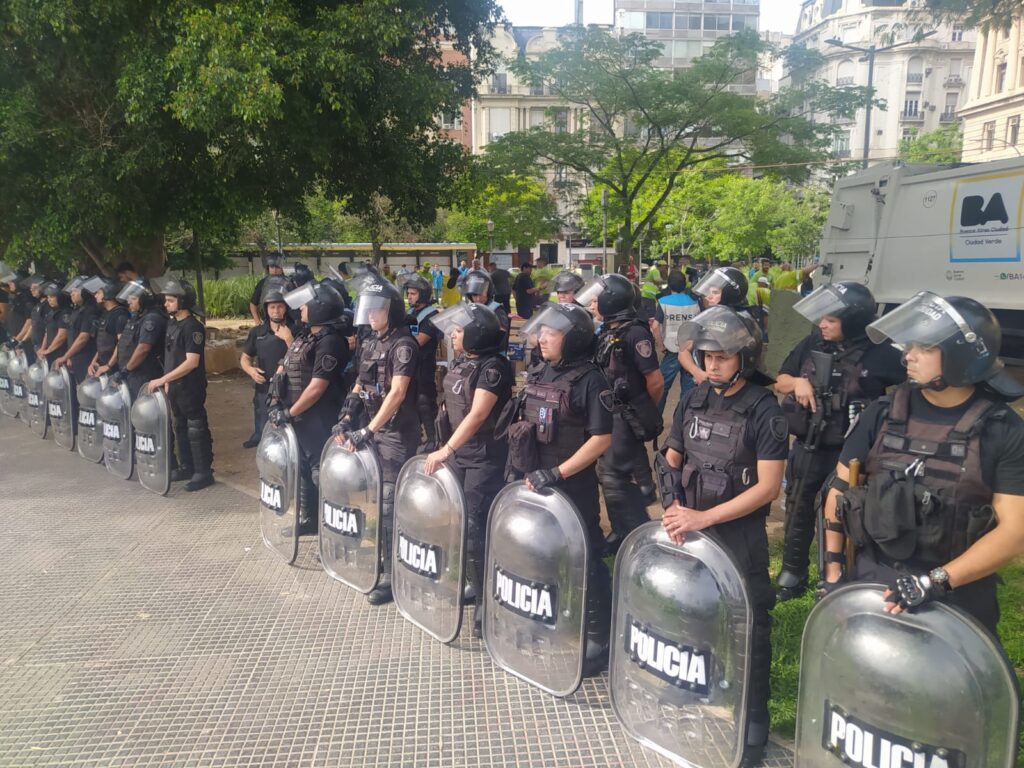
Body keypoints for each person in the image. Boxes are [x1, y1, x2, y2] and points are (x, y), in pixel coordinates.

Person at [820, 292, 1024, 642]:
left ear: (961, 357)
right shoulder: (882, 413)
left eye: (924, 349)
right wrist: (833, 571)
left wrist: (935, 581)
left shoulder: (1002, 428)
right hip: (873, 582)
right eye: (910, 346)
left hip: (957, 594)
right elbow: (839, 492)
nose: (908, 357)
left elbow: (1014, 530)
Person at [659, 305, 787, 767]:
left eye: (723, 356)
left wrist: (703, 518)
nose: (712, 363)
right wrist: (673, 503)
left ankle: (752, 721)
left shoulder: (764, 410)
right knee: (692, 612)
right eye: (707, 355)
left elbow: (768, 487)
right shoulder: (693, 399)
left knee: (748, 627)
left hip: (737, 537)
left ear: (745, 358)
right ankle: (695, 690)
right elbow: (672, 455)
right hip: (691, 529)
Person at [774, 282, 904, 599]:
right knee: (798, 505)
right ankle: (793, 572)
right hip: (809, 444)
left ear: (854, 320)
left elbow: (912, 390)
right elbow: (780, 380)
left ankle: (841, 574)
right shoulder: (810, 344)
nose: (822, 324)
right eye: (823, 318)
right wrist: (799, 383)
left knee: (851, 511)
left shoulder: (881, 355)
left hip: (854, 454)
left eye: (831, 319)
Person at [505, 302, 614, 676]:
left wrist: (559, 472)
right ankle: (547, 620)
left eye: (550, 333)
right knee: (541, 555)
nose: (541, 338)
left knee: (586, 556)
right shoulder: (540, 370)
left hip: (572, 484)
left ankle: (599, 638)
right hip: (535, 481)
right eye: (542, 331)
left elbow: (601, 439)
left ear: (574, 338)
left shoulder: (591, 380)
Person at [423, 302, 512, 637]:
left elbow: (477, 415)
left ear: (476, 333)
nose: (453, 336)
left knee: (477, 528)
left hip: (484, 459)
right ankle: (475, 584)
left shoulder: (494, 367)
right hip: (460, 455)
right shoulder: (463, 362)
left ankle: (489, 604)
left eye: (458, 331)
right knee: (462, 525)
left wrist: (446, 449)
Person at [335, 279, 420, 606]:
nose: (370, 314)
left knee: (388, 503)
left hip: (396, 433)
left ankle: (391, 574)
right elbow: (360, 382)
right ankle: (379, 557)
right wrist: (346, 415)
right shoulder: (370, 342)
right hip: (370, 428)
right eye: (367, 308)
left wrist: (368, 429)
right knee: (368, 496)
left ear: (392, 311)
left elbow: (397, 393)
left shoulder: (404, 345)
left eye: (378, 308)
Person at [578, 273, 664, 553]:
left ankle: (636, 534)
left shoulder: (635, 332)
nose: (592, 302)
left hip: (625, 416)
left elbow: (655, 381)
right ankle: (623, 530)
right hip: (609, 414)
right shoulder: (608, 329)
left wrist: (638, 412)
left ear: (611, 300)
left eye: (597, 298)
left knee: (616, 476)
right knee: (610, 475)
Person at [269, 281, 349, 531]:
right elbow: (287, 363)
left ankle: (333, 527)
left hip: (319, 416)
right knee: (303, 467)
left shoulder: (330, 341)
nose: (301, 308)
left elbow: (317, 387)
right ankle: (310, 519)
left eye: (306, 304)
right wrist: (275, 400)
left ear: (320, 308)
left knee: (321, 472)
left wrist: (289, 412)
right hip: (298, 414)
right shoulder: (306, 334)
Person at [148, 275, 214, 492]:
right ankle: (186, 466)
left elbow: (191, 362)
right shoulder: (172, 324)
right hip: (175, 386)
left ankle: (203, 472)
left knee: (196, 427)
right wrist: (168, 380)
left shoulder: (193, 327)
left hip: (190, 386)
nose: (166, 304)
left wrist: (163, 378)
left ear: (183, 301)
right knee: (181, 426)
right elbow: (170, 356)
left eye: (170, 300)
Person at [240, 277, 295, 448]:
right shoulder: (258, 332)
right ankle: (259, 436)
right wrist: (250, 370)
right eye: (272, 307)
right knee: (262, 416)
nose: (276, 311)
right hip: (264, 386)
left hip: (289, 386)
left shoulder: (296, 330)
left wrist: (289, 340)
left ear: (286, 308)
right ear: (266, 309)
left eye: (280, 306)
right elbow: (244, 358)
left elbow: (302, 357)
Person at [677, 266, 750, 388]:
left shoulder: (744, 323)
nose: (708, 297)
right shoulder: (707, 319)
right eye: (708, 292)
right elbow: (683, 352)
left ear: (731, 294)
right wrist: (698, 372)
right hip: (706, 385)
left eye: (715, 292)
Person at [399, 273, 442, 451]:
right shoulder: (409, 313)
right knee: (408, 402)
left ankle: (433, 438)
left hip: (424, 366)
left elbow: (420, 340)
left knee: (425, 402)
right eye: (408, 293)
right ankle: (414, 436)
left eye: (413, 294)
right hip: (408, 366)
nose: (409, 297)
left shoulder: (431, 315)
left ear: (423, 295)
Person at [651, 269, 700, 413]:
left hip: (672, 350)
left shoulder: (663, 302)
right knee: (688, 390)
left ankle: (656, 420)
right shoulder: (694, 302)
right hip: (690, 350)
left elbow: (655, 327)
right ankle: (684, 420)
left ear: (669, 285)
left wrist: (661, 346)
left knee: (662, 387)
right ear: (685, 284)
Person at [109, 279, 166, 398]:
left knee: (141, 410)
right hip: (132, 374)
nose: (129, 301)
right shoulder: (138, 317)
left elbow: (143, 348)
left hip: (142, 375)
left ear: (144, 300)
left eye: (133, 298)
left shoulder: (152, 319)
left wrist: (126, 370)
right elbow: (123, 342)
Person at [53, 277, 101, 389]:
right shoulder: (78, 310)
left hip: (86, 357)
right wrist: (70, 356)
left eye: (75, 291)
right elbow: (72, 335)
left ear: (84, 293)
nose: (71, 294)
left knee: (86, 390)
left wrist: (66, 356)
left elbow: (83, 338)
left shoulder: (90, 311)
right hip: (76, 357)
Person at [83, 277, 130, 378]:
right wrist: (94, 361)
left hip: (114, 369)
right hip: (101, 366)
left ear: (108, 293)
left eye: (98, 292)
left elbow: (121, 344)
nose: (95, 295)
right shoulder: (106, 313)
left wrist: (108, 366)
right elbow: (103, 343)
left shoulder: (120, 315)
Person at [461, 269, 510, 349]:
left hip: (493, 354)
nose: (478, 298)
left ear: (488, 292)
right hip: (474, 351)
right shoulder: (470, 309)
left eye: (481, 295)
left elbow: (502, 336)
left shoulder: (496, 309)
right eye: (474, 295)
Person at [37, 281, 71, 367]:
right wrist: (43, 349)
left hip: (60, 353)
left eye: (52, 297)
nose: (49, 299)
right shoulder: (51, 312)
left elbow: (62, 336)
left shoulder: (65, 313)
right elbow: (47, 332)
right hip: (50, 352)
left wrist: (48, 350)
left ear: (60, 297)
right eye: (48, 297)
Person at [248, 252, 286, 323]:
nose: (274, 270)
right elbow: (253, 304)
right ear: (268, 267)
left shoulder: (289, 282)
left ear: (282, 267)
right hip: (267, 323)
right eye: (272, 267)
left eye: (277, 267)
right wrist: (258, 322)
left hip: (286, 323)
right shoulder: (263, 283)